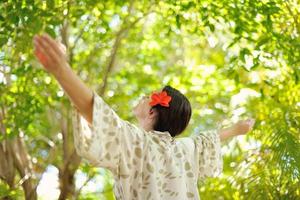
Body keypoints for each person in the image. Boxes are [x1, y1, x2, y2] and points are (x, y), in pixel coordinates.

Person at [33, 33, 255, 200]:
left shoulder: (137, 142)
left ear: (151, 111)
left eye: (146, 97)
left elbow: (96, 113)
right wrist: (238, 129)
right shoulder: (184, 149)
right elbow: (211, 138)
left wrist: (61, 69)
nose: (142, 98)